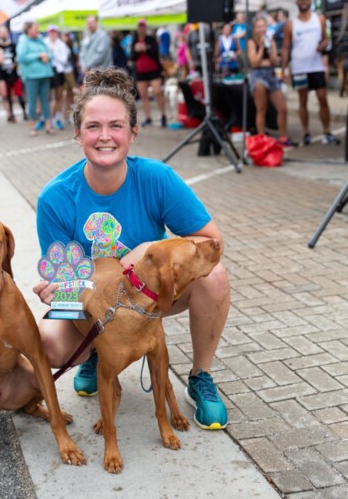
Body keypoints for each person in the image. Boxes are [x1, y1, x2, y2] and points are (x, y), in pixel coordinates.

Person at [33, 68, 230, 431]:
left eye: (116, 126)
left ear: (133, 133)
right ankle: (95, 351)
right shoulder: (55, 198)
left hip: (152, 297)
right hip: (97, 305)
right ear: (77, 134)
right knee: (49, 346)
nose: (104, 136)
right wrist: (58, 292)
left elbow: (212, 241)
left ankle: (200, 376)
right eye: (93, 126)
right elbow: (66, 283)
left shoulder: (156, 178)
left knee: (213, 277)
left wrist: (150, 246)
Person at [282, 0, 340, 146]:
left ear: (310, 0)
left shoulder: (319, 18)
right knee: (302, 100)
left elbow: (326, 39)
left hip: (316, 66)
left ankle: (327, 132)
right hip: (299, 67)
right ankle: (306, 132)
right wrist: (284, 68)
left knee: (322, 98)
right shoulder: (291, 24)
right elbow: (286, 47)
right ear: (297, 2)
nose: (304, 1)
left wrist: (322, 45)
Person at [247, 17, 292, 146]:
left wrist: (269, 47)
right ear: (255, 29)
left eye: (263, 26)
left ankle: (283, 137)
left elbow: (274, 61)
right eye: (259, 26)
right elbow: (254, 62)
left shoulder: (270, 40)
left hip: (271, 75)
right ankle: (262, 139)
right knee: (262, 110)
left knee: (282, 108)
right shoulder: (251, 42)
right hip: (258, 76)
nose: (261, 29)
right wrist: (261, 47)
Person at [16, 21, 55, 137]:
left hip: (45, 74)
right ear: (28, 29)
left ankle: (48, 125)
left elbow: (51, 54)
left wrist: (47, 56)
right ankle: (32, 126)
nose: (37, 30)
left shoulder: (40, 40)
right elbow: (22, 58)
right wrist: (38, 56)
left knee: (45, 101)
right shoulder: (23, 41)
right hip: (31, 76)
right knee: (32, 101)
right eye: (35, 28)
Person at [130, 19, 167, 127]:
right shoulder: (134, 40)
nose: (141, 29)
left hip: (153, 70)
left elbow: (155, 52)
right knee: (143, 95)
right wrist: (136, 50)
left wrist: (145, 48)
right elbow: (132, 56)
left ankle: (163, 115)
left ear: (146, 28)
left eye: (143, 27)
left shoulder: (151, 39)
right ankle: (148, 117)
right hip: (140, 72)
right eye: (139, 27)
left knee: (157, 91)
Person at [0, 25, 28, 122]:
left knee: (19, 94)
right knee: (7, 95)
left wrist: (16, 65)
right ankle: (11, 114)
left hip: (14, 74)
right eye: (1, 32)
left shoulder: (14, 46)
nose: (3, 34)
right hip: (3, 74)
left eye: (4, 32)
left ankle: (24, 112)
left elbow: (18, 59)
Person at [45, 25, 71, 130]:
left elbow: (63, 60)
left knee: (59, 96)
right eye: (51, 32)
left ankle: (57, 118)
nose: (52, 34)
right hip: (47, 72)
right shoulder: (44, 42)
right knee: (48, 97)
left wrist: (52, 54)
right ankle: (48, 118)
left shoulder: (61, 45)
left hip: (59, 72)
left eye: (54, 32)